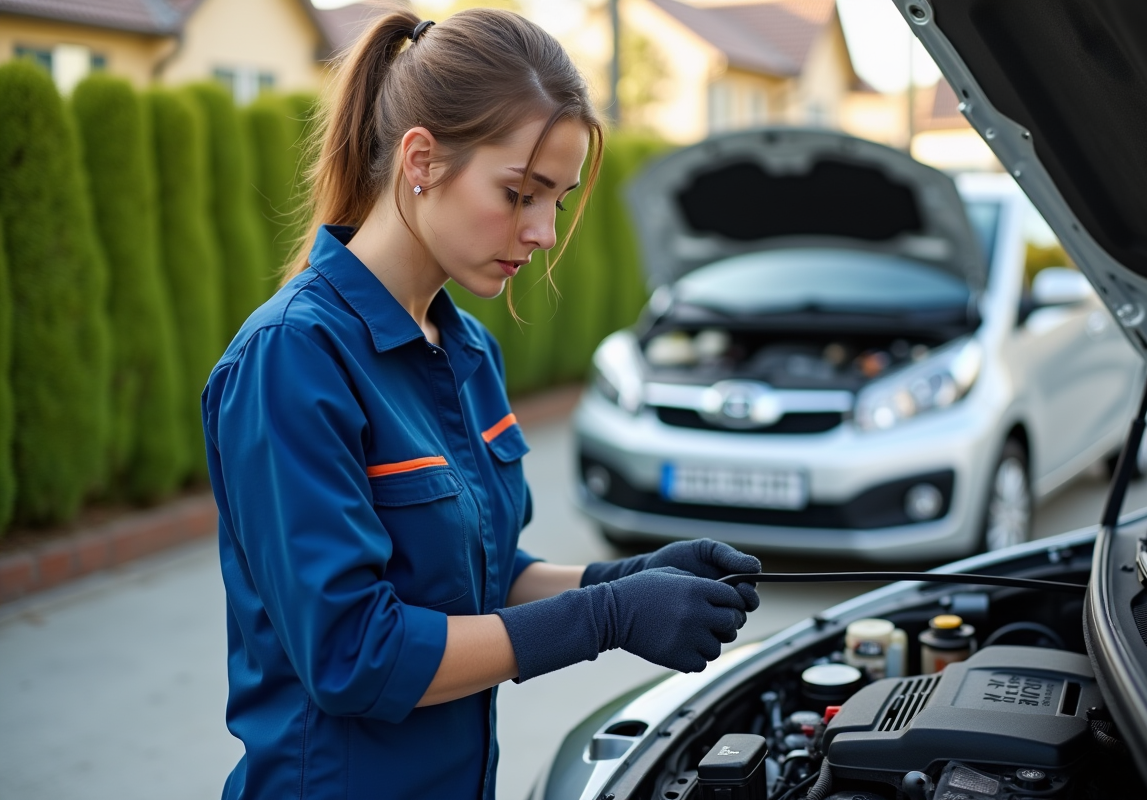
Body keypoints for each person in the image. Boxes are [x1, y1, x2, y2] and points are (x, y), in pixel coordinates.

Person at [202, 7, 762, 798]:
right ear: (422, 159)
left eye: (557, 201)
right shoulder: (293, 358)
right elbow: (351, 654)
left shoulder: (465, 351)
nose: (541, 232)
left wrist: (624, 577)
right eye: (520, 192)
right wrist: (605, 619)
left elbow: (477, 576)